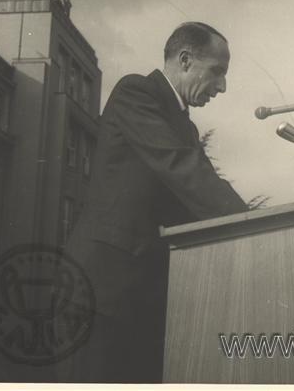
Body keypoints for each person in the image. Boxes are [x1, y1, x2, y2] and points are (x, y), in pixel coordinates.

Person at [56, 22, 249, 383]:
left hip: (142, 298)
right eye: (217, 72)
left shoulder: (184, 126)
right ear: (186, 60)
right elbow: (183, 169)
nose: (222, 86)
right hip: (101, 293)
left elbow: (198, 192)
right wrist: (253, 225)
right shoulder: (137, 92)